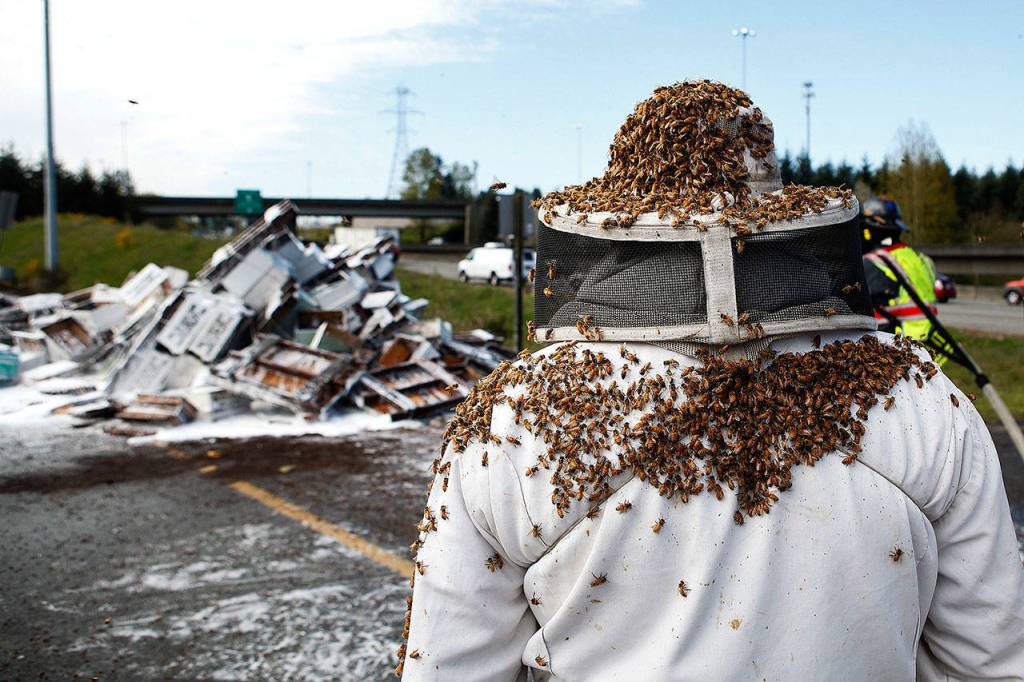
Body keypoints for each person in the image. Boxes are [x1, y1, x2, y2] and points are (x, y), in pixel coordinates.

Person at [398, 81, 1024, 681]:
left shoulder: (512, 417)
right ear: (781, 213)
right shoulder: (922, 400)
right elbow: (991, 661)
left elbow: (449, 667)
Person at [861, 197, 940, 341]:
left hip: (896, 343)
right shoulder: (921, 258)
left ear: (870, 229)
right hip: (928, 340)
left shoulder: (873, 263)